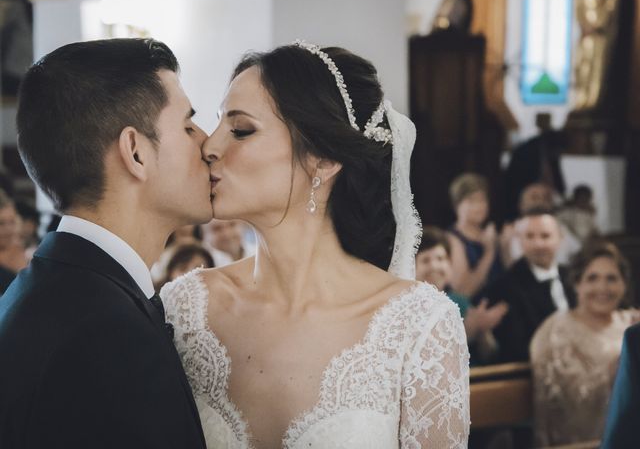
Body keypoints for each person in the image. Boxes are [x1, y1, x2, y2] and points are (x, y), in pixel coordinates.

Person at [161, 42, 470, 448]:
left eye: (240, 130)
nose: (209, 146)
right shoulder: (184, 309)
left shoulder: (420, 326)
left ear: (323, 159)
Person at [0, 38, 210, 449]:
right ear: (135, 151)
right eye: (187, 125)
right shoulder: (110, 335)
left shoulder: (44, 291)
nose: (208, 143)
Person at [531, 242, 637, 447]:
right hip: (579, 441)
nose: (602, 288)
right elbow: (555, 403)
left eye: (612, 279)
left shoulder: (631, 324)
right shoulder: (555, 329)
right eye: (592, 278)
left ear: (624, 285)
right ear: (577, 284)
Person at [486, 208, 575, 362]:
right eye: (530, 236)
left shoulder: (575, 277)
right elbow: (515, 348)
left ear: (560, 238)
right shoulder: (504, 287)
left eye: (545, 236)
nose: (538, 244)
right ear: (520, 240)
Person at [417, 226, 508, 364]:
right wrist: (467, 334)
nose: (434, 266)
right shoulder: (408, 308)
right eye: (426, 260)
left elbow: (490, 355)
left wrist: (483, 333)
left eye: (440, 258)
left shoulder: (460, 302)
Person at [447, 172, 503, 298]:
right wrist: (489, 252)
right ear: (457, 205)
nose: (479, 206)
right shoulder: (453, 239)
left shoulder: (490, 233)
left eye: (482, 200)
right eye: (472, 201)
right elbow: (463, 292)